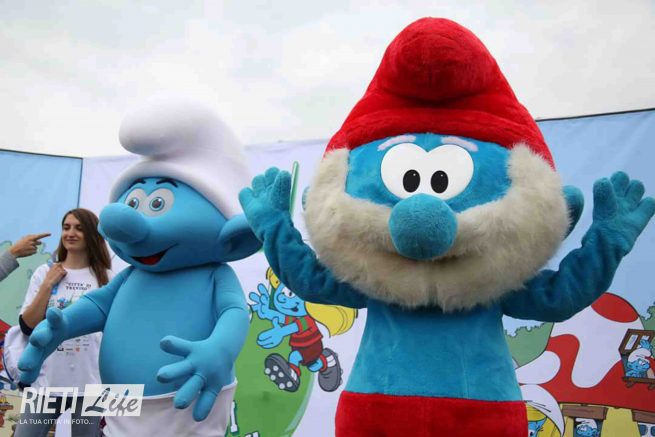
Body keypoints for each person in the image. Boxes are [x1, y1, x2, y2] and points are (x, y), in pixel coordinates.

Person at [15, 209, 112, 437]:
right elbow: (28, 326)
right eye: (66, 227)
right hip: (45, 382)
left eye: (79, 228)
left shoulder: (107, 276)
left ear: (92, 234)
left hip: (89, 385)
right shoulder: (45, 272)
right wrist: (48, 284)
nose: (70, 233)